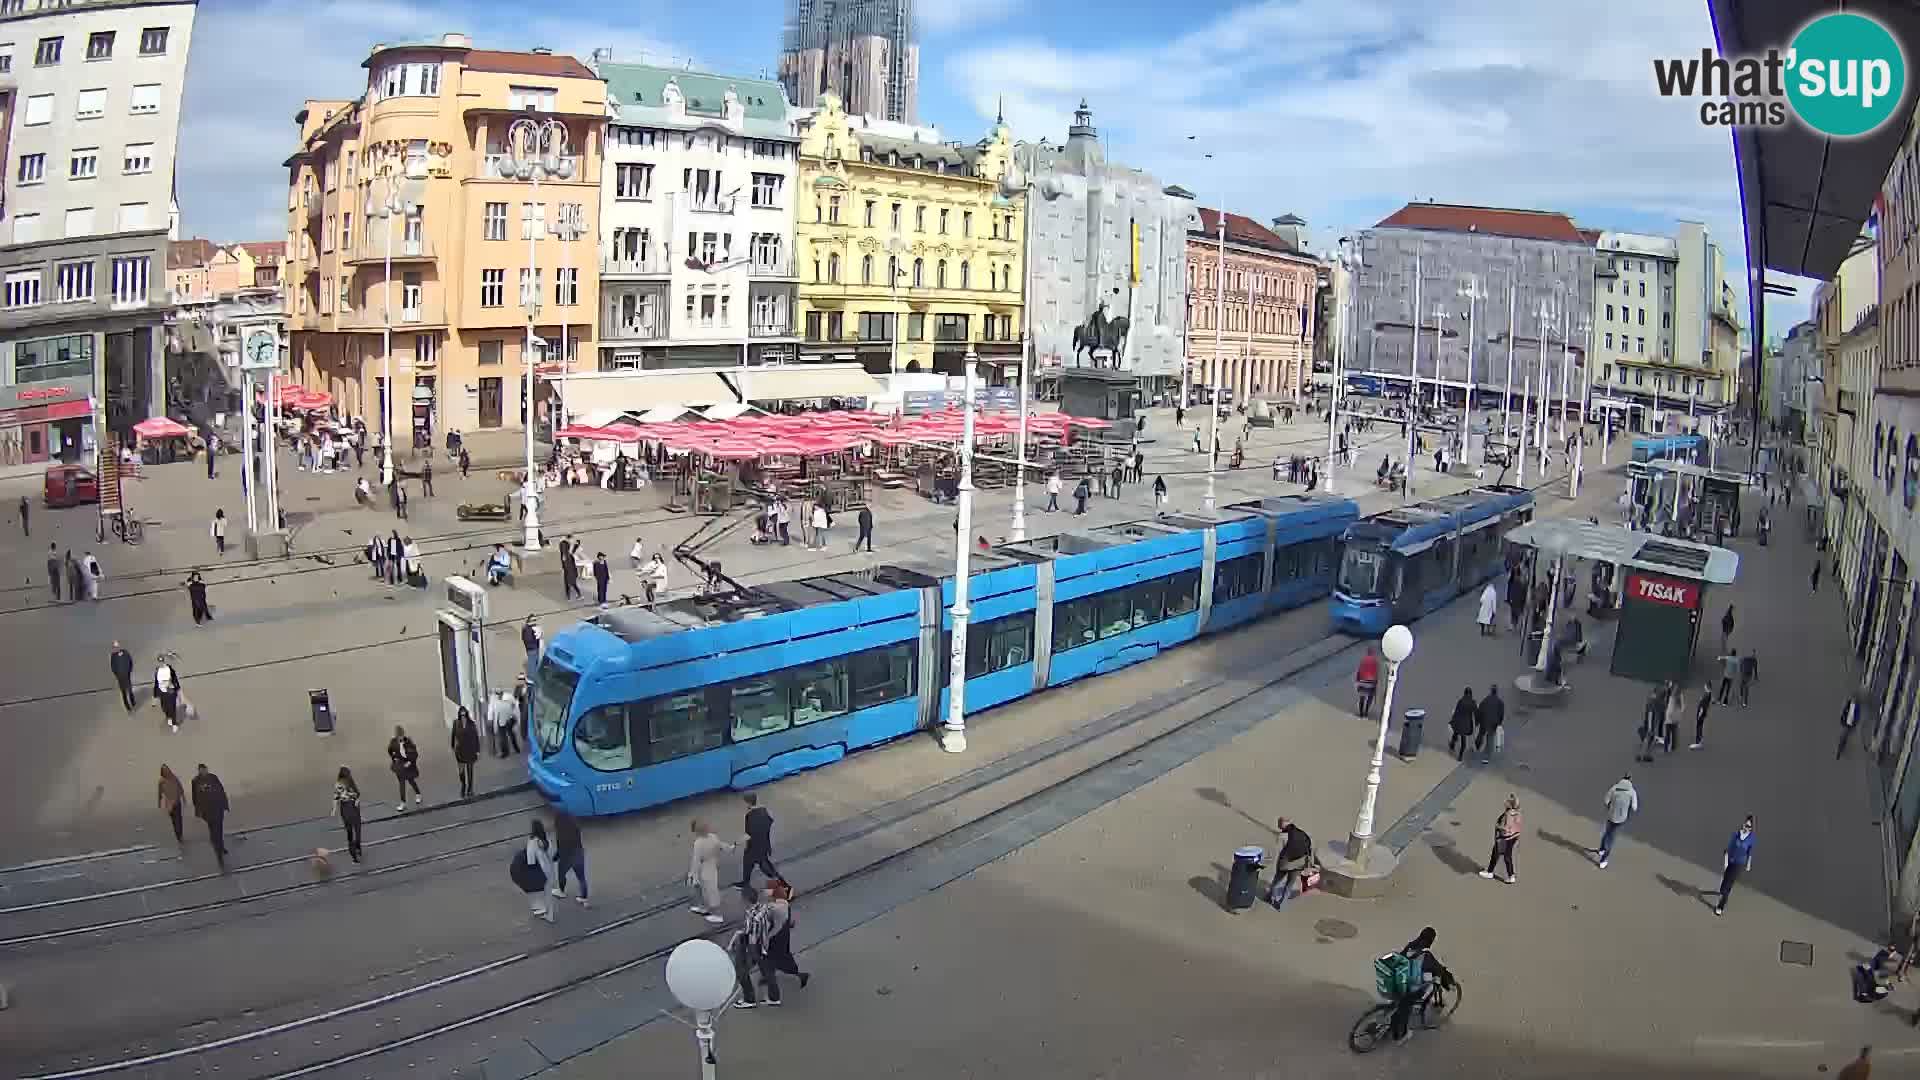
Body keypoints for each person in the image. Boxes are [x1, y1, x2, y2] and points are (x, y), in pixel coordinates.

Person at [1385, 927, 1456, 1041]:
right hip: (1408, 987)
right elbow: (1439, 970)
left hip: (1397, 980)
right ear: (1431, 941)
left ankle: (1388, 1015)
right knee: (1407, 1006)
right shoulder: (1426, 955)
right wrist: (1449, 979)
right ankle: (1401, 1035)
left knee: (1398, 1002)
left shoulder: (1411, 946)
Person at [730, 885, 782, 1008]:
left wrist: (736, 944)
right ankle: (774, 998)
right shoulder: (764, 907)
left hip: (756, 946)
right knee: (767, 971)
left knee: (741, 971)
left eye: (742, 899)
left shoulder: (752, 917)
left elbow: (749, 934)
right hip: (767, 943)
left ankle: (749, 999)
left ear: (746, 901)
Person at [763, 878, 810, 987]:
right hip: (781, 936)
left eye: (768, 889)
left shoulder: (776, 907)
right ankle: (769, 976)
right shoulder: (781, 903)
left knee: (778, 958)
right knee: (772, 958)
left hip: (777, 938)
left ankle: (800, 975)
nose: (766, 892)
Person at [687, 820, 732, 924]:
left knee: (710, 891)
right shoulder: (713, 837)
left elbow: (696, 860)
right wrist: (730, 848)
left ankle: (718, 915)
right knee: (707, 889)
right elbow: (722, 846)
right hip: (712, 865)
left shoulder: (698, 843)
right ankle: (703, 906)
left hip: (704, 868)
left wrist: (693, 874)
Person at [517, 819, 557, 923]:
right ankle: (549, 914)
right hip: (549, 869)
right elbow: (552, 854)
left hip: (540, 870)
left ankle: (546, 913)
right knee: (547, 893)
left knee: (539, 893)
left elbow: (531, 860)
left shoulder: (532, 841)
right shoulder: (546, 839)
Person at [191, 764, 229, 870]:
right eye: (202, 770)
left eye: (205, 770)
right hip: (207, 811)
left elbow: (221, 790)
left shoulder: (213, 777)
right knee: (213, 830)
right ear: (199, 771)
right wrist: (198, 811)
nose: (204, 772)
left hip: (218, 808)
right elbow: (195, 797)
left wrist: (225, 805)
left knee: (219, 829)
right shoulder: (195, 781)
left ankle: (220, 847)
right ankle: (218, 848)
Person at [1716, 815, 1756, 916]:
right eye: (1745, 825)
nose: (1746, 827)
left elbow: (1750, 852)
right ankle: (1723, 892)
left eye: (1749, 826)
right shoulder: (1736, 834)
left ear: (1751, 828)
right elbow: (1729, 848)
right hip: (1730, 861)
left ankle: (1720, 906)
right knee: (1724, 882)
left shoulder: (1751, 838)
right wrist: (1726, 861)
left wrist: (1748, 864)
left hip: (1739, 864)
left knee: (1728, 884)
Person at [1269, 817, 1314, 907]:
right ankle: (1282, 903)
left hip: (1285, 864)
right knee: (1289, 884)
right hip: (1299, 864)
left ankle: (1272, 898)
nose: (1278, 825)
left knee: (1276, 882)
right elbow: (1309, 848)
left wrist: (1277, 864)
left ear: (1282, 824)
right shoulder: (1302, 833)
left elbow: (1278, 852)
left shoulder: (1282, 836)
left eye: (1279, 823)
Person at [1595, 774, 1638, 868]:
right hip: (1621, 818)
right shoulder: (1632, 791)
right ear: (1630, 780)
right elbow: (1634, 807)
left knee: (1607, 833)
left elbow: (1606, 800)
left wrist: (1610, 806)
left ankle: (1601, 850)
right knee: (1611, 839)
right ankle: (1603, 861)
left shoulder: (1614, 788)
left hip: (1611, 815)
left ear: (1622, 779)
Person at [1478, 794, 1521, 884]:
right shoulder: (1517, 813)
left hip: (1504, 838)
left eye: (1507, 801)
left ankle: (1491, 872)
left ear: (1509, 804)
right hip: (1513, 837)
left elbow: (1506, 828)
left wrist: (1498, 826)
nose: (1505, 802)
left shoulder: (1508, 814)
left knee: (1498, 854)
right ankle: (1510, 875)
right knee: (1506, 855)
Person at [740, 792, 780, 888]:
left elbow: (748, 833)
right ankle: (746, 882)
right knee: (756, 862)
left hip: (754, 846)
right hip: (764, 842)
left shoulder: (749, 815)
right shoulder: (764, 810)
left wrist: (739, 843)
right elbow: (770, 821)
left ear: (748, 802)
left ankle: (777, 879)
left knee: (760, 863)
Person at [551, 809, 589, 908]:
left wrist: (555, 857)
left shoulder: (561, 832)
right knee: (581, 878)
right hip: (579, 854)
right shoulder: (575, 829)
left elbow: (560, 847)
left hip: (566, 857)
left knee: (561, 874)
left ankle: (561, 891)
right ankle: (584, 898)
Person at [387, 725, 423, 811]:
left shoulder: (408, 741)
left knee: (411, 781)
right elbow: (390, 750)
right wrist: (394, 758)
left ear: (403, 735)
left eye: (401, 736)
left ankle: (418, 794)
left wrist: (409, 762)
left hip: (408, 764)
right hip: (399, 765)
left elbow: (415, 754)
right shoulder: (393, 741)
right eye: (398, 737)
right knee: (402, 783)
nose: (400, 738)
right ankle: (403, 802)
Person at [333, 767, 364, 863]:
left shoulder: (346, 782)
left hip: (351, 807)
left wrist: (356, 799)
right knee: (353, 830)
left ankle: (356, 848)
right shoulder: (342, 784)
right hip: (349, 807)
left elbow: (356, 794)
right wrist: (334, 809)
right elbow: (338, 796)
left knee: (354, 830)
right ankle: (355, 850)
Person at [451, 706, 482, 798]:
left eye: (464, 713)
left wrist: (477, 750)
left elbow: (476, 737)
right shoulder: (456, 723)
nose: (463, 715)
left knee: (470, 770)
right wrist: (453, 746)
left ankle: (470, 788)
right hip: (460, 751)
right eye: (461, 713)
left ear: (466, 714)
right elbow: (453, 735)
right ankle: (463, 785)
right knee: (461, 771)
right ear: (459, 714)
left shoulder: (472, 723)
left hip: (470, 750)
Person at [488, 689, 521, 758]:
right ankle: (513, 749)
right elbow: (492, 711)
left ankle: (507, 751)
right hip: (506, 719)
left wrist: (516, 719)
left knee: (505, 736)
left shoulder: (506, 698)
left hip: (508, 719)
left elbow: (515, 706)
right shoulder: (495, 700)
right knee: (506, 735)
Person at [157, 764, 185, 846]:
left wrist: (183, 798)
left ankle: (180, 835)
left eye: (167, 769)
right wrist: (159, 802)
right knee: (174, 821)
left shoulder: (174, 777)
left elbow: (180, 787)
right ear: (162, 772)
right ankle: (178, 834)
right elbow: (160, 792)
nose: (166, 771)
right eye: (164, 770)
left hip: (177, 801)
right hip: (169, 804)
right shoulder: (161, 781)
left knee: (178, 819)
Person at [1475, 684, 1505, 761]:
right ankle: (1486, 756)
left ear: (1491, 691)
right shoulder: (1500, 702)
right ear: (1496, 692)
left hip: (1484, 721)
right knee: (1490, 738)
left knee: (1481, 734)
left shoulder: (1485, 700)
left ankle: (1477, 746)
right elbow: (1501, 714)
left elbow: (1479, 710)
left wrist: (1477, 721)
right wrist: (1499, 723)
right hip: (1493, 723)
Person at [1447, 688, 1478, 761]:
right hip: (1466, 725)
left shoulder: (1460, 701)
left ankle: (1452, 745)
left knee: (1456, 733)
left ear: (1464, 693)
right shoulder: (1473, 702)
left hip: (1458, 723)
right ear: (1471, 694)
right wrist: (1477, 722)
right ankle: (1460, 756)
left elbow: (1456, 712)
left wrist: (1452, 721)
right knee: (1463, 741)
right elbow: (1476, 713)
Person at [155, 654, 182, 733]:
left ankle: (174, 724)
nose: (161, 663)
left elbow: (175, 679)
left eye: (162, 661)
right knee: (164, 707)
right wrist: (155, 694)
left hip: (170, 692)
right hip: (162, 692)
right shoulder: (157, 671)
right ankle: (169, 717)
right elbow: (156, 683)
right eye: (159, 662)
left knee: (172, 708)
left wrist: (178, 689)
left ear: (164, 661)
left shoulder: (169, 669)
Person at [110, 641, 136, 711]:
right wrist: (117, 675)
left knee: (130, 690)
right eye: (115, 647)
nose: (116, 648)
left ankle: (133, 702)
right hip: (120, 677)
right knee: (123, 692)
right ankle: (127, 706)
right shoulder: (113, 656)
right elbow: (113, 667)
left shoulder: (125, 653)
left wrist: (129, 671)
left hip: (127, 675)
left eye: (117, 646)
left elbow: (130, 662)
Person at [1354, 648, 1380, 717]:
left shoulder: (1363, 660)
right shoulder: (1375, 661)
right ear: (1373, 653)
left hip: (1362, 681)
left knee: (1362, 697)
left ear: (1367, 652)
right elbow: (1376, 673)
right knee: (1370, 697)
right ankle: (1366, 711)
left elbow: (1359, 671)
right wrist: (1376, 683)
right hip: (1371, 682)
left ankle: (1361, 713)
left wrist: (1357, 680)